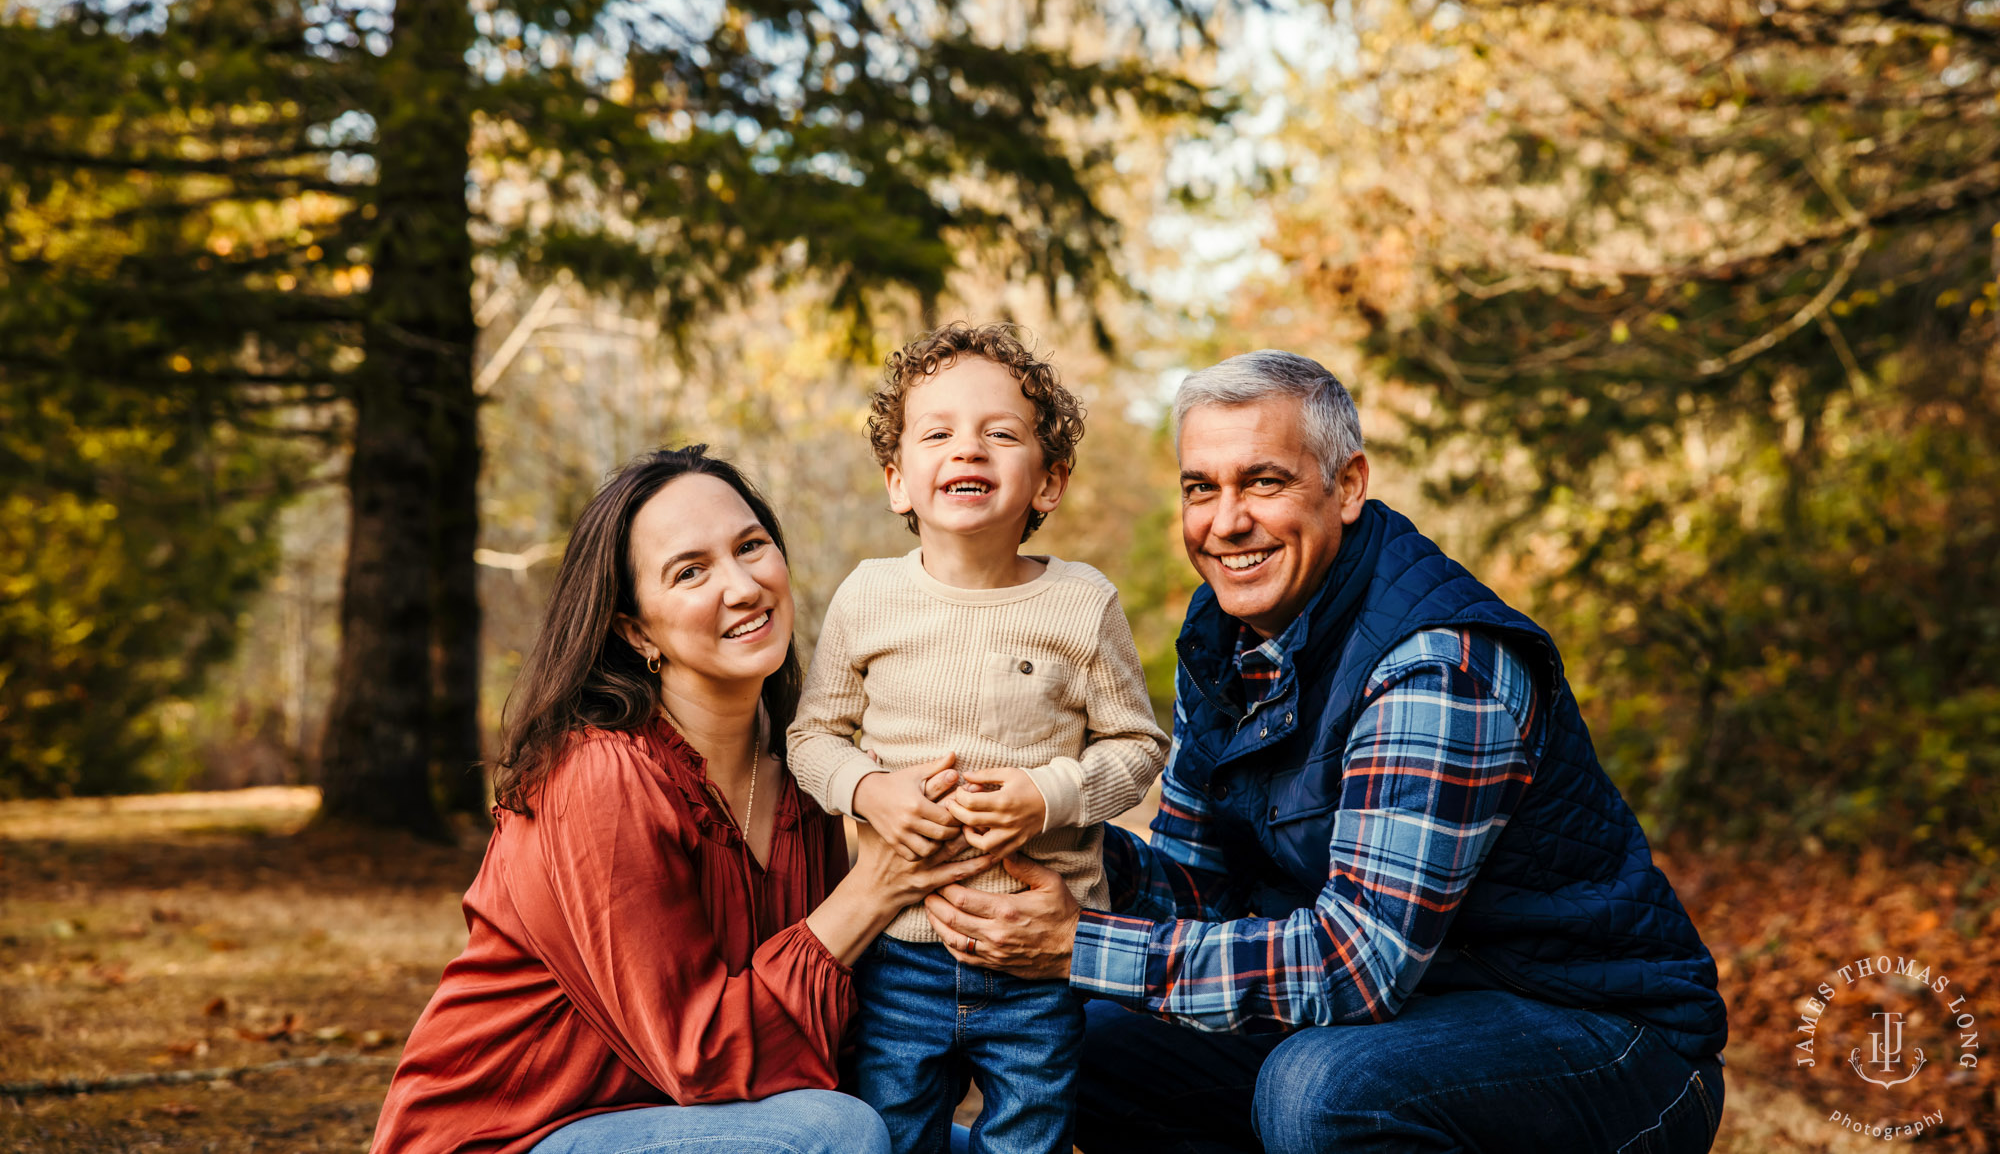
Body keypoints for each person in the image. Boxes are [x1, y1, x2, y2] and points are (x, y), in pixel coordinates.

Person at [923, 351, 1731, 1154]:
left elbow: (1357, 964)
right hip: (1427, 1007)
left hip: (1603, 1036)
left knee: (1322, 1092)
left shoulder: (1433, 667)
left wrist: (1078, 944)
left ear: (1346, 486)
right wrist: (1069, 857)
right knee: (1094, 1045)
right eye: (1201, 487)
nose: (1225, 520)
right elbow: (1199, 888)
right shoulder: (1227, 638)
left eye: (1263, 482)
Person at [369, 446, 994, 1154]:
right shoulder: (600, 775)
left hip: (696, 1124)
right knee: (835, 1136)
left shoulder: (805, 773)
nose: (743, 586)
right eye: (690, 571)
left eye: (751, 547)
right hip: (512, 1134)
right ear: (634, 632)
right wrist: (876, 888)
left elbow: (833, 1036)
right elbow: (704, 1059)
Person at [787, 323, 1170, 1154]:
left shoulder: (1083, 604)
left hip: (1038, 964)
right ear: (898, 481)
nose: (969, 449)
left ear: (1050, 480)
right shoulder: (869, 598)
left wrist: (1048, 796)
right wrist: (870, 789)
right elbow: (813, 736)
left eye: (1001, 433)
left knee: (1029, 1139)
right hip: (899, 953)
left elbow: (1138, 748)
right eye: (938, 433)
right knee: (892, 1134)